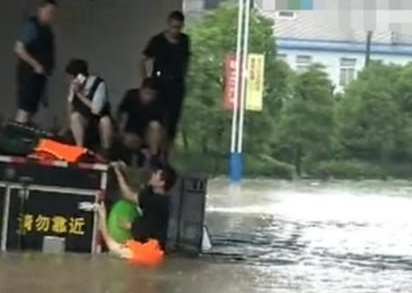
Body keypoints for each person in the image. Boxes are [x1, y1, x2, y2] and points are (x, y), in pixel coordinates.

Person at [140, 11, 191, 143]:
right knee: (157, 118)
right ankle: (153, 149)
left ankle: (165, 156)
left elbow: (186, 60)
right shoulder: (158, 40)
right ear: (168, 24)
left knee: (172, 121)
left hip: (176, 83)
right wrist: (146, 80)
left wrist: (184, 75)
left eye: (178, 28)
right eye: (173, 27)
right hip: (159, 82)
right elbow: (143, 59)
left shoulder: (184, 40)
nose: (175, 31)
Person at [111, 161, 177, 250]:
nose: (152, 175)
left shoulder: (159, 202)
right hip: (147, 245)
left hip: (151, 249)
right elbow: (130, 194)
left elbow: (148, 226)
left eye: (156, 174)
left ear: (162, 183)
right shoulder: (151, 195)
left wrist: (130, 225)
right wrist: (123, 171)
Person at [14, 0, 57, 124]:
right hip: (29, 75)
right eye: (49, 12)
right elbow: (19, 48)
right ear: (40, 10)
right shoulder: (32, 26)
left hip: (39, 77)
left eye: (53, 13)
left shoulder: (47, 31)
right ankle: (15, 137)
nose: (51, 16)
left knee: (32, 111)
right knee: (24, 110)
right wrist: (36, 65)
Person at [65, 59, 113, 156]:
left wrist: (79, 94)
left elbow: (96, 109)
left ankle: (105, 152)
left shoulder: (98, 84)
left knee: (106, 122)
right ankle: (79, 150)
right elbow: (70, 104)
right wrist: (68, 124)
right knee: (75, 117)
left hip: (98, 119)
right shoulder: (73, 85)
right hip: (84, 118)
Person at [118, 78, 166, 165]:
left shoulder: (159, 103)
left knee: (155, 126)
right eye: (146, 93)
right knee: (128, 139)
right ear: (141, 90)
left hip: (148, 136)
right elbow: (123, 116)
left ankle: (152, 159)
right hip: (131, 133)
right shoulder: (131, 96)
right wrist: (121, 133)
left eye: (152, 94)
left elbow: (162, 129)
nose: (148, 97)